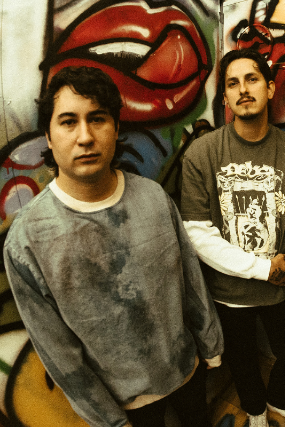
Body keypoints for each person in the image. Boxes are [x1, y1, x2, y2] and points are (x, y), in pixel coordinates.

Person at [3, 66, 224, 427]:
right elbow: (57, 348)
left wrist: (211, 345)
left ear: (116, 127)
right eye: (68, 122)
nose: (85, 137)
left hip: (187, 369)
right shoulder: (27, 241)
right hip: (124, 403)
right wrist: (107, 418)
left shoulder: (153, 197)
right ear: (49, 137)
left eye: (98, 119)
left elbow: (190, 279)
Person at [180, 49, 285, 427]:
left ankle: (282, 400)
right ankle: (256, 410)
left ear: (271, 88)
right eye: (233, 83)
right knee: (241, 361)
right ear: (225, 98)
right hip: (228, 294)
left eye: (252, 79)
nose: (243, 89)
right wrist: (263, 269)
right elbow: (197, 234)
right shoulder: (202, 153)